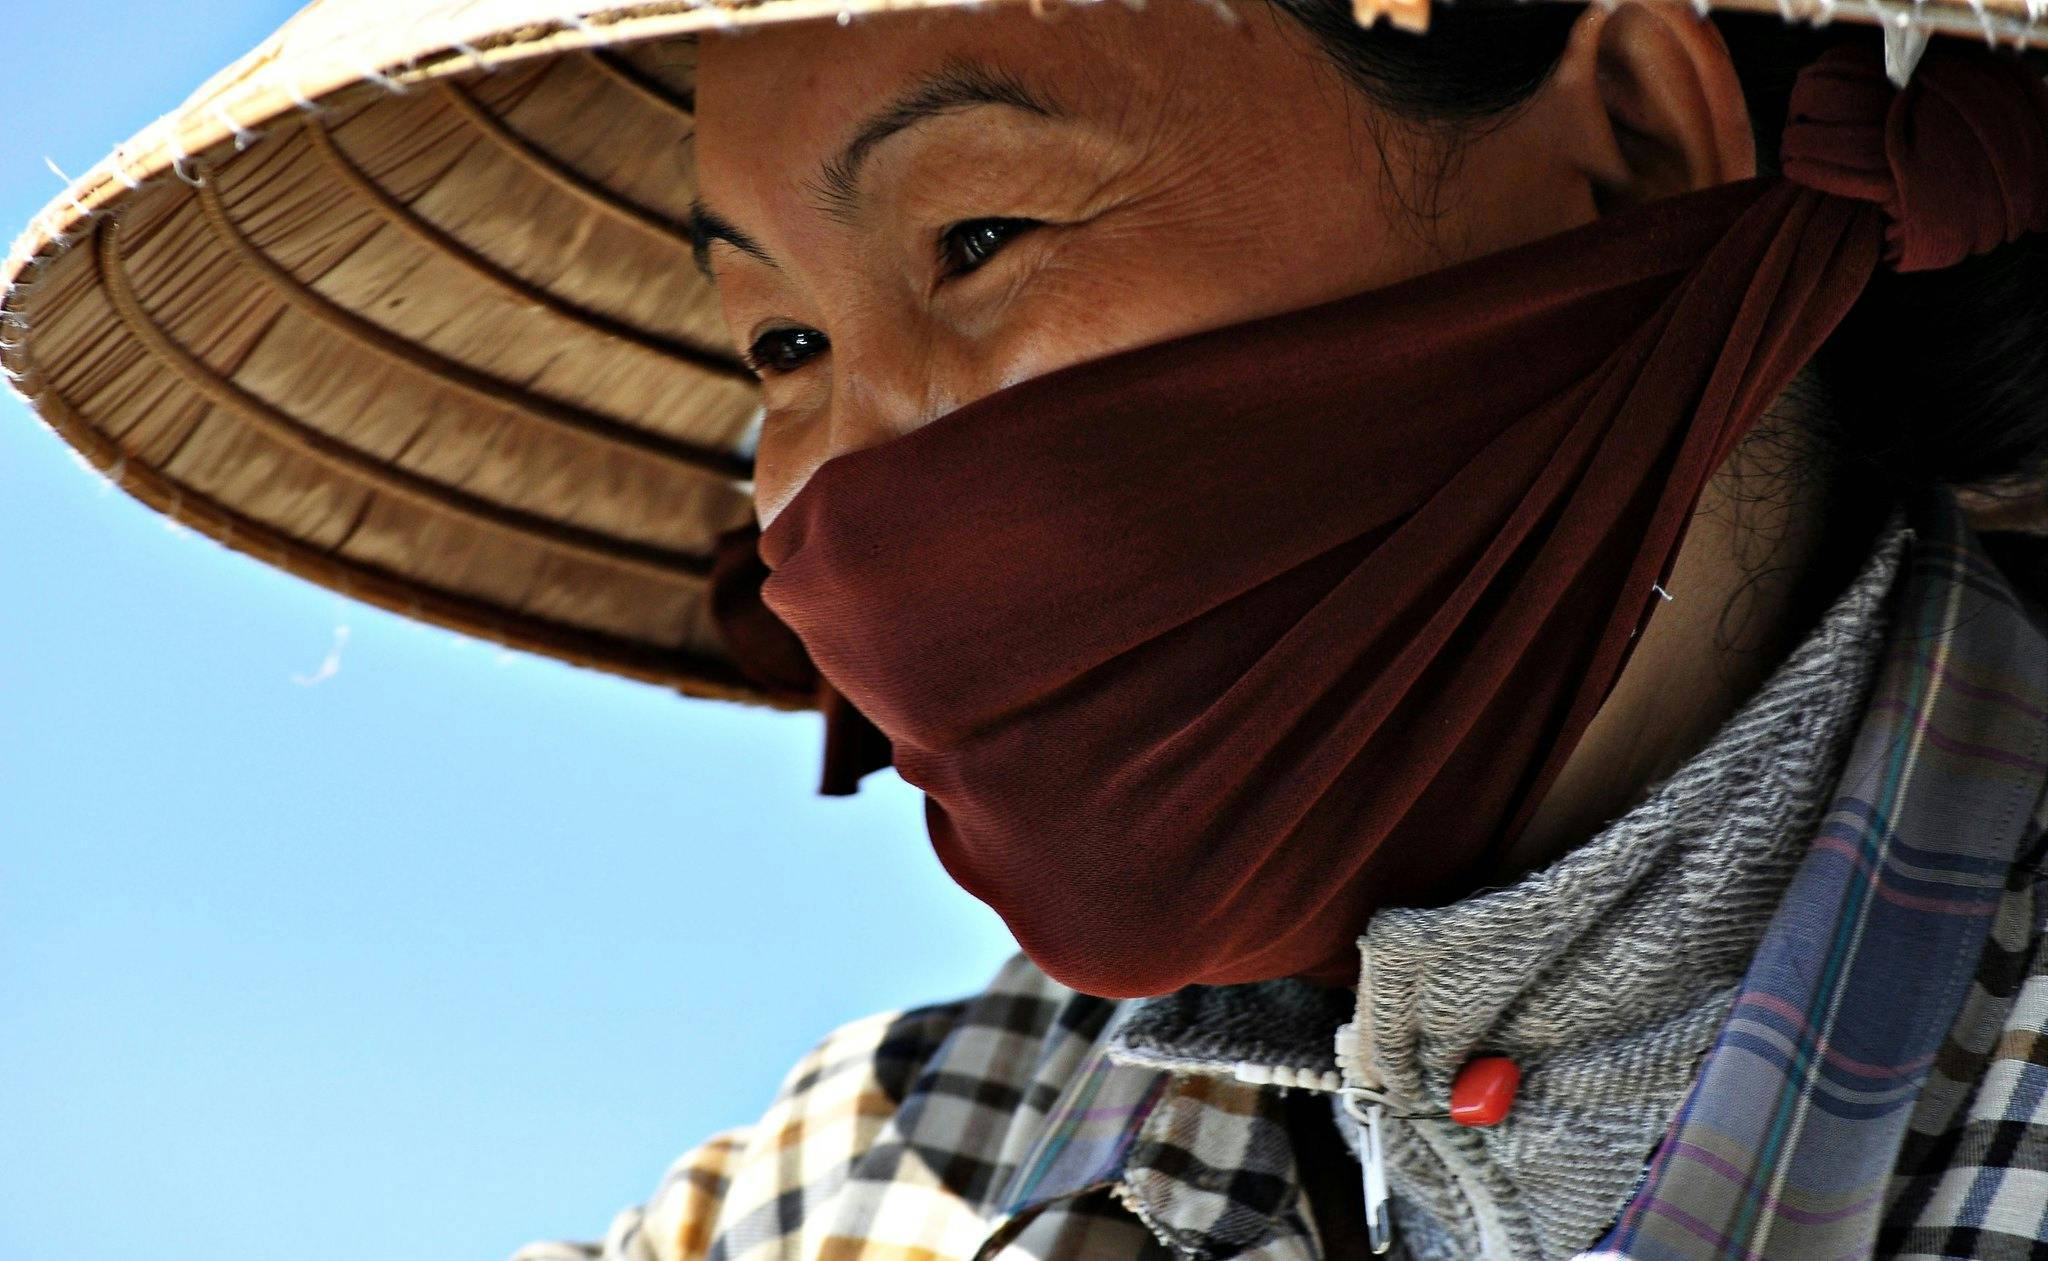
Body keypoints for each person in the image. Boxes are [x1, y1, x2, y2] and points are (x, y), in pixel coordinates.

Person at [6, 0, 2047, 1257]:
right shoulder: (882, 1191)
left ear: (1618, 147)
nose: (854, 475)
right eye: (782, 341)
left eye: (978, 236)